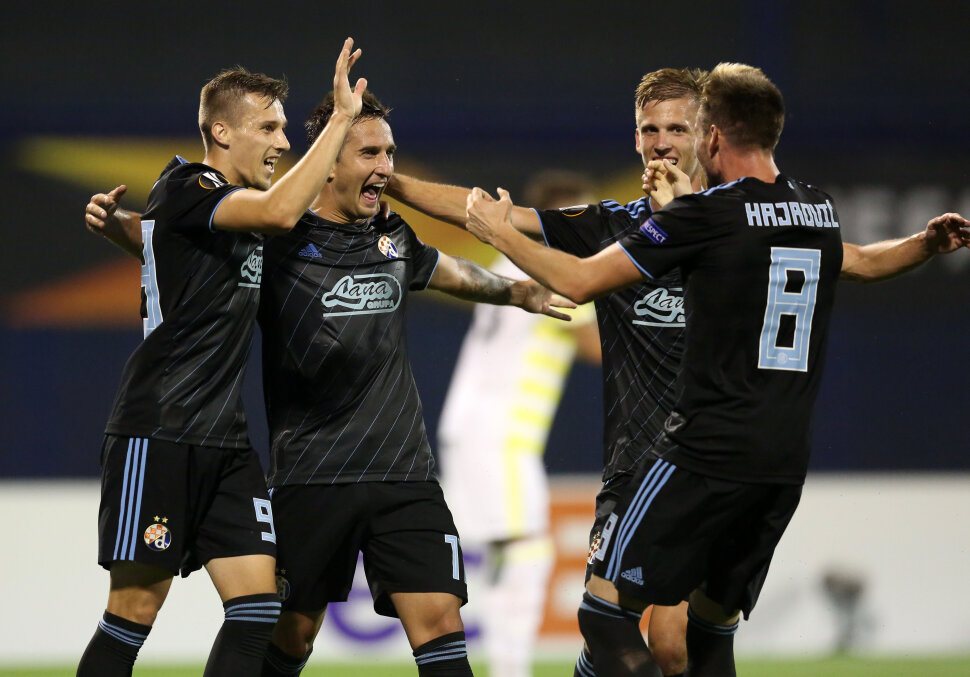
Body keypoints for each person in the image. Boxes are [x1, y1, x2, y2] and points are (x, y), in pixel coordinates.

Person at [462, 63, 970, 676]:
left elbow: (580, 280)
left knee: (605, 617)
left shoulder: (706, 214)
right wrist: (923, 243)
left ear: (712, 135)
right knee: (704, 637)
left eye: (690, 126)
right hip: (782, 462)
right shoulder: (814, 209)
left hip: (704, 449)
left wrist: (499, 232)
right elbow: (860, 261)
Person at [85, 91, 573, 677]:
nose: (384, 167)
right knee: (288, 633)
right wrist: (127, 231)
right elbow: (188, 253)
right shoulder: (276, 241)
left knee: (442, 621)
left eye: (390, 152)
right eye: (369, 153)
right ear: (330, 162)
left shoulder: (393, 237)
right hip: (311, 474)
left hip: (403, 472)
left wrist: (518, 291)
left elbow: (453, 272)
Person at [385, 67, 709, 677]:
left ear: (706, 135)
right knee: (545, 566)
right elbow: (594, 324)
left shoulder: (723, 224)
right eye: (650, 129)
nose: (662, 142)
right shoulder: (578, 253)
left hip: (495, 430)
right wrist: (391, 178)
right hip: (505, 435)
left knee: (666, 633)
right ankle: (510, 667)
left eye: (677, 128)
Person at [76, 39, 367, 677]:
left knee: (258, 608)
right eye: (268, 127)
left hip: (228, 442)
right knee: (134, 612)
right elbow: (279, 211)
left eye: (284, 128)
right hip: (159, 430)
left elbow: (175, 247)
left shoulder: (223, 212)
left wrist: (126, 227)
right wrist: (342, 118)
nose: (283, 142)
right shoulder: (190, 184)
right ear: (221, 131)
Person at [437, 171, 602, 677]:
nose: (591, 229)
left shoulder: (507, 261)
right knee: (529, 551)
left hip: (474, 426)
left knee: (507, 553)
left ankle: (504, 666)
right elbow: (600, 348)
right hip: (499, 433)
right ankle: (510, 669)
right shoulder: (556, 269)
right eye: (581, 217)